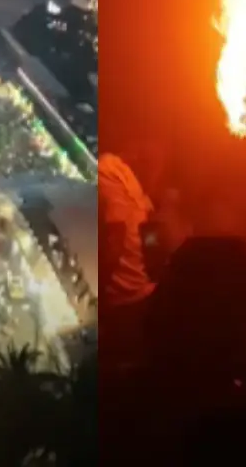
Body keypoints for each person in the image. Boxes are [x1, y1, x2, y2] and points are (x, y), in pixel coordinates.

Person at [98, 153, 154, 365]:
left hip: (121, 301)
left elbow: (116, 237)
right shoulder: (122, 171)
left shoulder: (106, 170)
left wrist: (98, 302)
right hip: (141, 294)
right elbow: (147, 232)